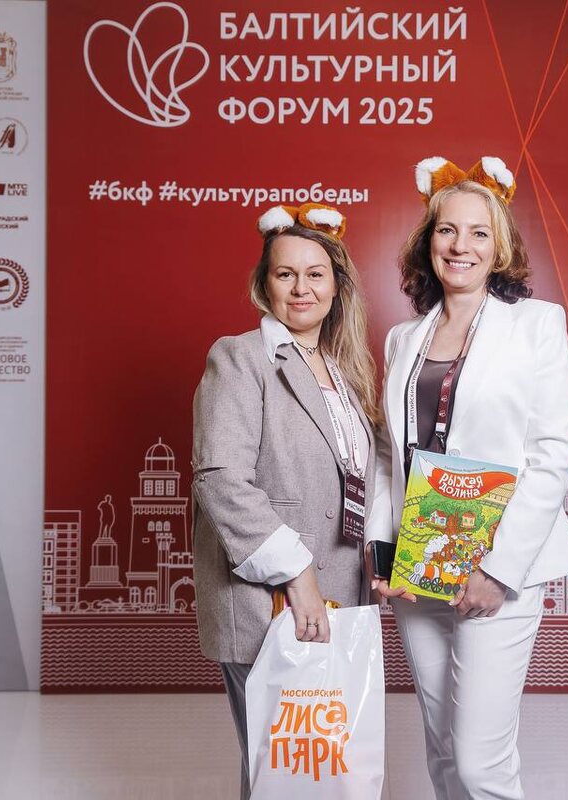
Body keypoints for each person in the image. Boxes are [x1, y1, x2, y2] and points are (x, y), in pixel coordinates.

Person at [367, 156, 568, 799]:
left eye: (478, 232)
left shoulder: (538, 325)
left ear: (500, 247)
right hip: (420, 559)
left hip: (497, 563)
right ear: (428, 241)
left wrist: (499, 569)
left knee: (480, 762)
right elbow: (388, 455)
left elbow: (552, 453)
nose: (460, 245)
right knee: (441, 751)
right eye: (447, 230)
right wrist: (383, 553)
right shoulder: (403, 338)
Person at [191, 202, 378, 800]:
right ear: (264, 283)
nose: (302, 288)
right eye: (285, 273)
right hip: (269, 597)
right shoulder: (240, 357)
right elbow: (221, 478)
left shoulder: (344, 373)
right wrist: (296, 574)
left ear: (336, 285)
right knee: (278, 770)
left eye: (316, 274)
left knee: (319, 770)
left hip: (340, 595)